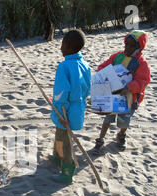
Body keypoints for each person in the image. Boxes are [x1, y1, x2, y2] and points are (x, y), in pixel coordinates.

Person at [92, 30, 151, 154]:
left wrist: (130, 87)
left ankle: (121, 135)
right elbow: (103, 66)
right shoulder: (118, 56)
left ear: (140, 47)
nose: (128, 48)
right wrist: (105, 75)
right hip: (112, 95)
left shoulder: (142, 63)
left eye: (132, 45)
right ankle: (100, 139)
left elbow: (143, 81)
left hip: (129, 98)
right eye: (127, 44)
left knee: (124, 120)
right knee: (108, 117)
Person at [48, 29, 91, 184]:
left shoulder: (64, 66)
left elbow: (61, 91)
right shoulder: (85, 65)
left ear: (67, 46)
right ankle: (57, 158)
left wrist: (58, 106)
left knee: (66, 141)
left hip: (65, 110)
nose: (60, 48)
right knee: (60, 135)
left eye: (62, 44)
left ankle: (67, 171)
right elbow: (87, 88)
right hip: (77, 108)